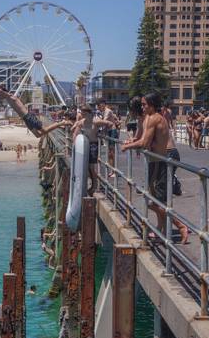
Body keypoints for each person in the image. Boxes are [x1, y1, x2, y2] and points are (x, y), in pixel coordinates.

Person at [122, 92, 189, 244]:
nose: (142, 106)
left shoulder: (153, 118)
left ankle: (180, 226)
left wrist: (127, 147)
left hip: (164, 158)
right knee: (153, 198)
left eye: (144, 104)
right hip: (159, 159)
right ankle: (163, 229)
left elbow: (144, 142)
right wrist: (133, 142)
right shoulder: (150, 118)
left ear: (151, 105)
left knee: (155, 200)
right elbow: (143, 138)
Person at [0, 78, 72, 138]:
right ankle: (60, 125)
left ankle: (61, 123)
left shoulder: (11, 97)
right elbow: (0, 90)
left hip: (29, 117)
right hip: (25, 119)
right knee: (38, 135)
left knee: (44, 130)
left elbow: (0, 91)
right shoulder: (8, 97)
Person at [71, 105, 116, 195]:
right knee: (86, 166)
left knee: (91, 167)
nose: (82, 114)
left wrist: (104, 134)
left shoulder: (96, 122)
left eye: (84, 113)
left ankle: (94, 185)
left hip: (93, 145)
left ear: (89, 113)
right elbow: (74, 133)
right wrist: (74, 145)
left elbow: (111, 124)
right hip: (85, 145)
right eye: (82, 112)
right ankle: (92, 183)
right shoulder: (81, 123)